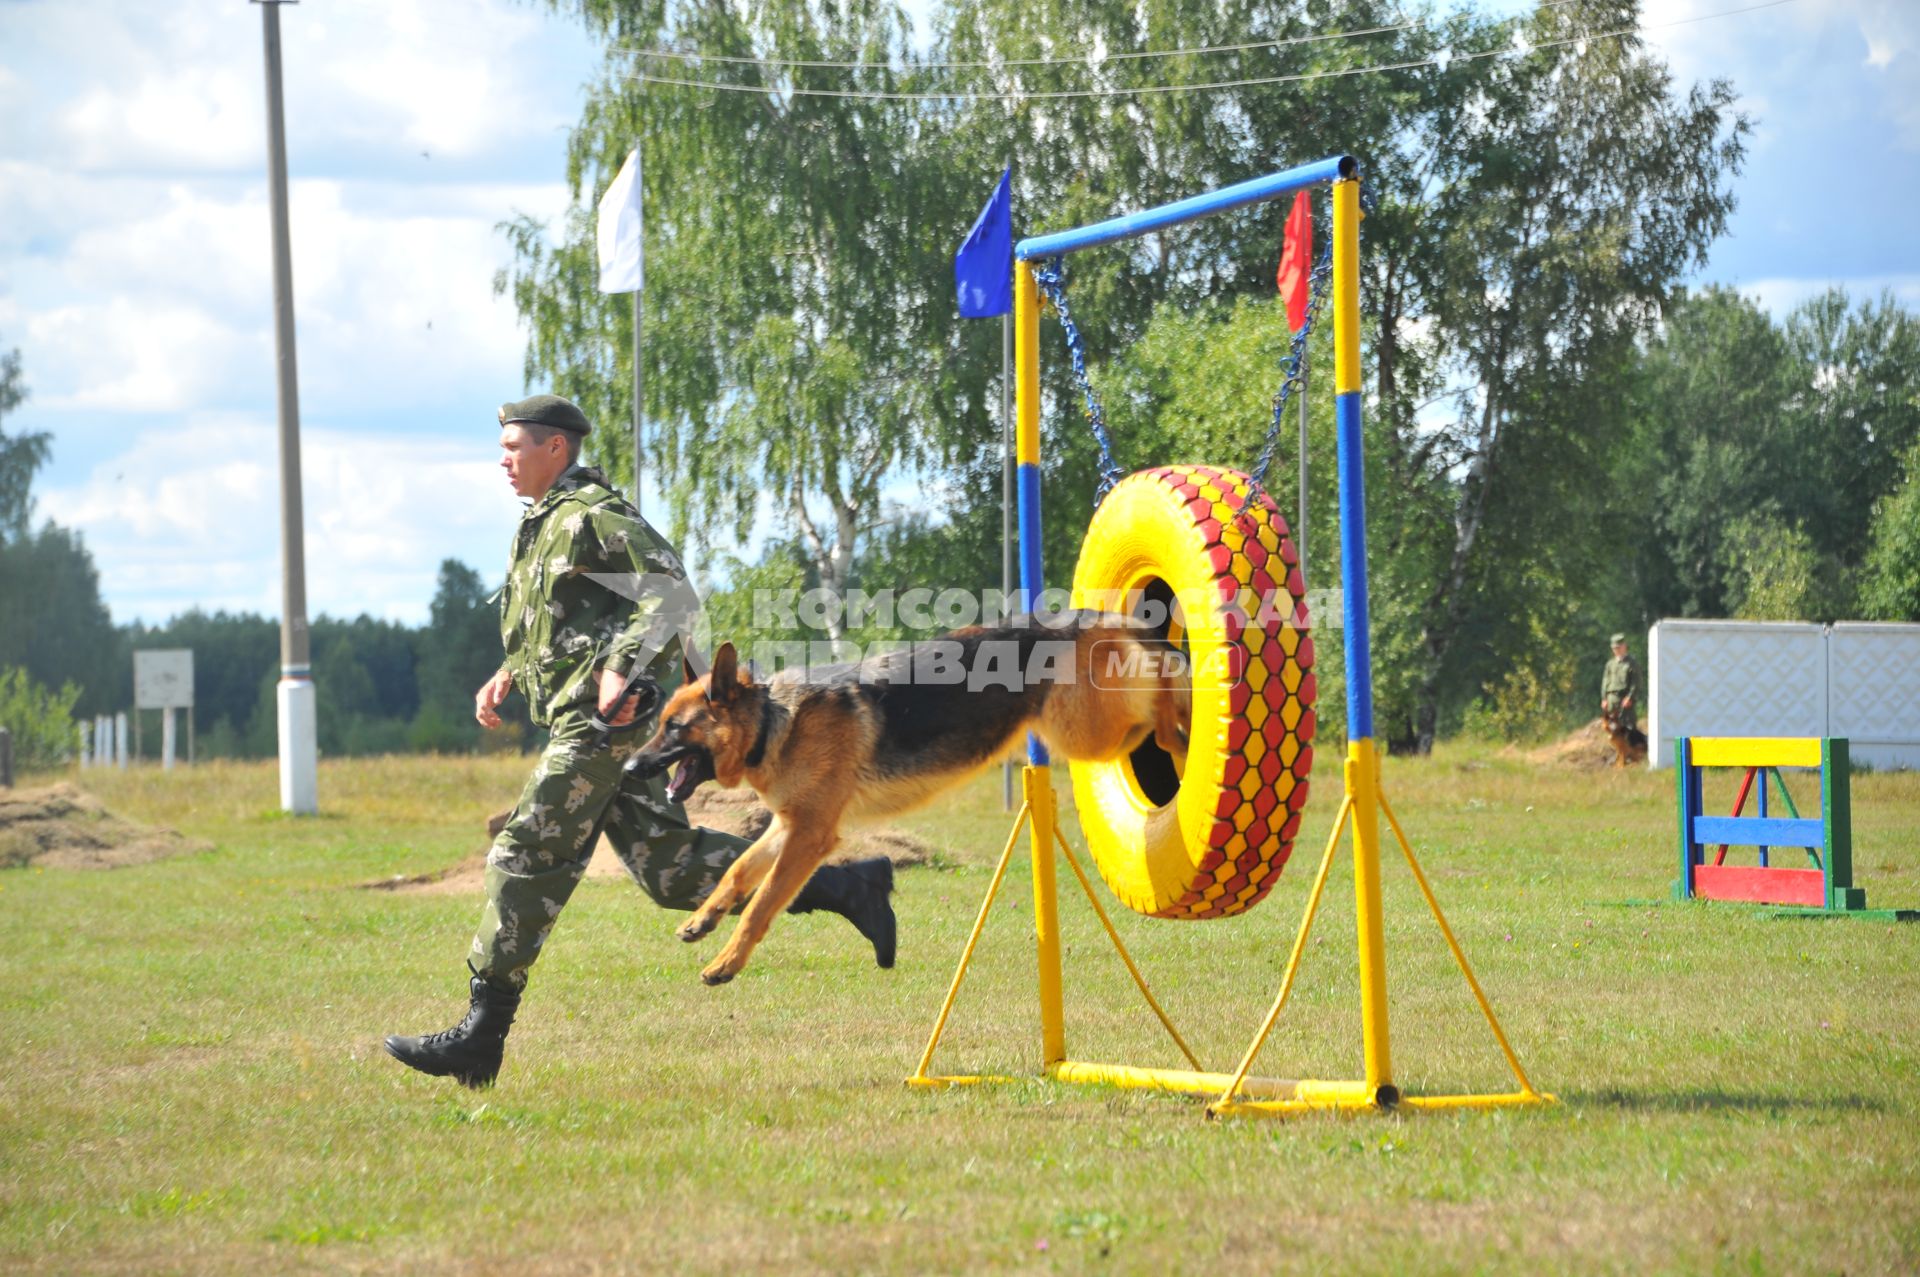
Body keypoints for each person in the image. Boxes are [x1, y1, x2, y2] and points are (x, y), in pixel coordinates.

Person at [385, 394, 896, 1088]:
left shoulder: (592, 514)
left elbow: (671, 591)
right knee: (671, 868)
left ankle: (481, 1033)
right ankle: (846, 886)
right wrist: (509, 670)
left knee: (527, 847)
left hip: (607, 722)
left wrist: (623, 665)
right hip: (588, 713)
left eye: (514, 447)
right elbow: (560, 621)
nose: (502, 461)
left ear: (554, 448)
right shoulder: (540, 524)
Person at [1600, 632, 1640, 735]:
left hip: (1624, 701)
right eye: (1614, 648)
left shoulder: (1632, 663)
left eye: (1619, 647)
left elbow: (1636, 683)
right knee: (1613, 731)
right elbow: (1605, 682)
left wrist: (1630, 698)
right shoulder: (1610, 664)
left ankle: (1633, 750)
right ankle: (1619, 751)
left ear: (1625, 646)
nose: (1616, 650)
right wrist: (1604, 698)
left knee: (1629, 729)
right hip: (1611, 701)